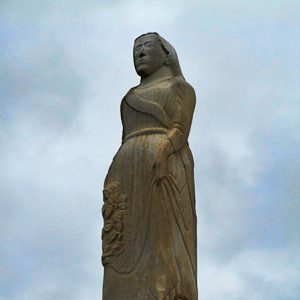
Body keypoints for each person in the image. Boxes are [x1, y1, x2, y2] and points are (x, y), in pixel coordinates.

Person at [102, 32, 197, 299]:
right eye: (136, 48)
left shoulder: (180, 88)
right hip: (126, 166)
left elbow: (181, 129)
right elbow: (124, 134)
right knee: (119, 242)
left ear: (166, 54)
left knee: (161, 238)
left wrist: (164, 151)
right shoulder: (129, 96)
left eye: (146, 46)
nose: (139, 52)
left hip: (163, 164)